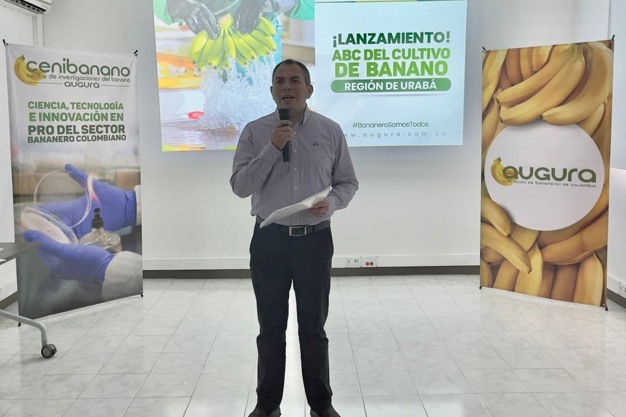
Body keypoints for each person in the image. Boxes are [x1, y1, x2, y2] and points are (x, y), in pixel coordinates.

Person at [230, 59, 358, 417]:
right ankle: (268, 405)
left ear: (309, 89)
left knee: (313, 328)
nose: (287, 86)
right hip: (269, 241)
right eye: (280, 81)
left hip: (314, 242)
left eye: (295, 80)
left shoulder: (330, 131)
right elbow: (240, 187)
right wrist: (272, 147)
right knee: (270, 329)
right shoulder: (255, 132)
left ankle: (321, 405)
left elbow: (348, 182)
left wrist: (332, 203)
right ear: (272, 91)